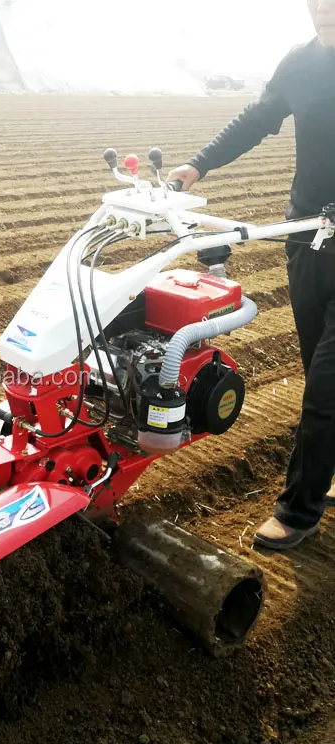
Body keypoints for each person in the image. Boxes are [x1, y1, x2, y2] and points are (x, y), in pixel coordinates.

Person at [167, 0, 335, 550]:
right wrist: (200, 163)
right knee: (318, 368)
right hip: (309, 235)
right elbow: (260, 118)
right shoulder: (301, 62)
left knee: (326, 391)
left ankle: (299, 509)